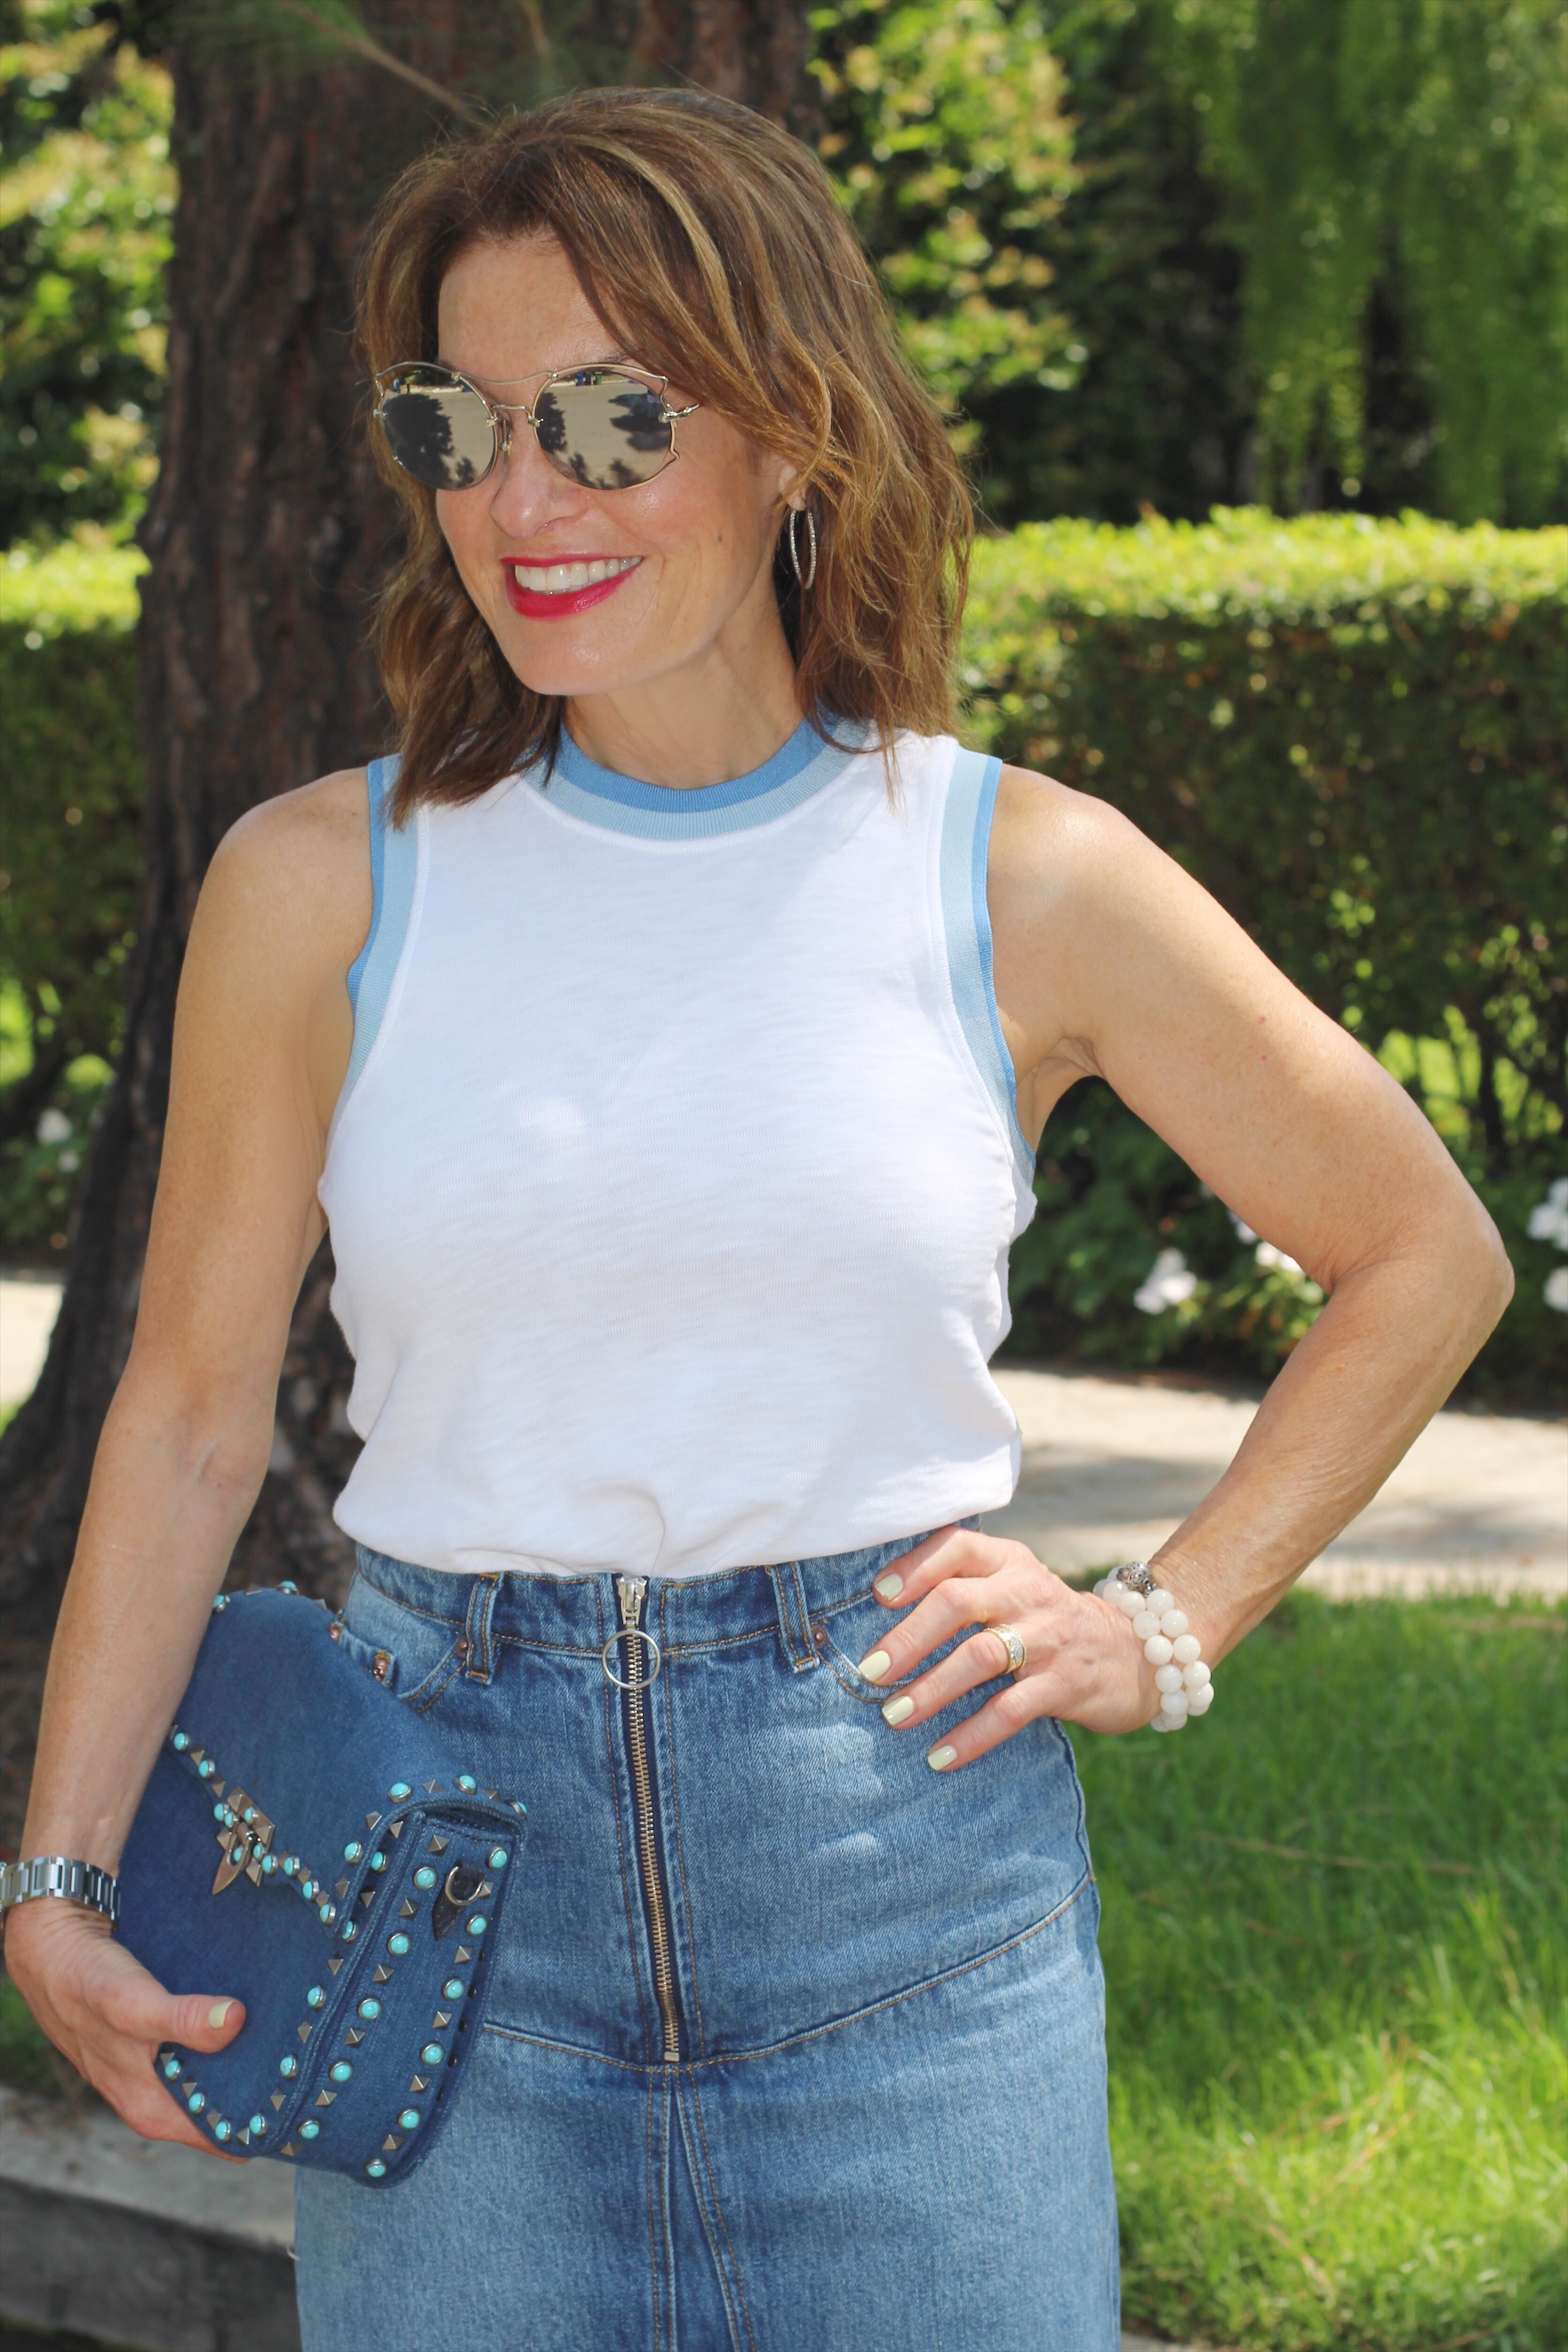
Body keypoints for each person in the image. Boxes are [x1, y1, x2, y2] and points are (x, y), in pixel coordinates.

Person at [3, 87, 1510, 2352]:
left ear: (795, 429)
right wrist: (56, 1871)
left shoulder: (1019, 874)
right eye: (459, 420)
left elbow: (1426, 1252)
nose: (523, 501)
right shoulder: (317, 886)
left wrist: (1168, 1622)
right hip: (445, 1884)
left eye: (607, 420)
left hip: (904, 1889)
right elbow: (196, 1406)